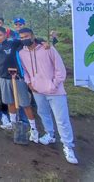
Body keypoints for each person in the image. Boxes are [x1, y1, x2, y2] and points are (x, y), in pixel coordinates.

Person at [19, 28, 78, 164]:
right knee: (43, 113)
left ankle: (68, 146)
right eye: (21, 37)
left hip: (55, 91)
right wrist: (29, 83)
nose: (24, 39)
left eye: (26, 36)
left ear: (33, 36)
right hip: (37, 90)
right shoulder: (22, 53)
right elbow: (25, 71)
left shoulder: (48, 49)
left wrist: (54, 84)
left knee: (61, 119)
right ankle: (49, 134)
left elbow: (60, 69)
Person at [0, 26, 39, 142]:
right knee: (10, 102)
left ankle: (34, 129)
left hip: (17, 77)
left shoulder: (13, 43)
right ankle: (13, 123)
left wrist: (42, 42)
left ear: (5, 35)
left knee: (24, 103)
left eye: (0, 35)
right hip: (4, 78)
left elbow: (28, 40)